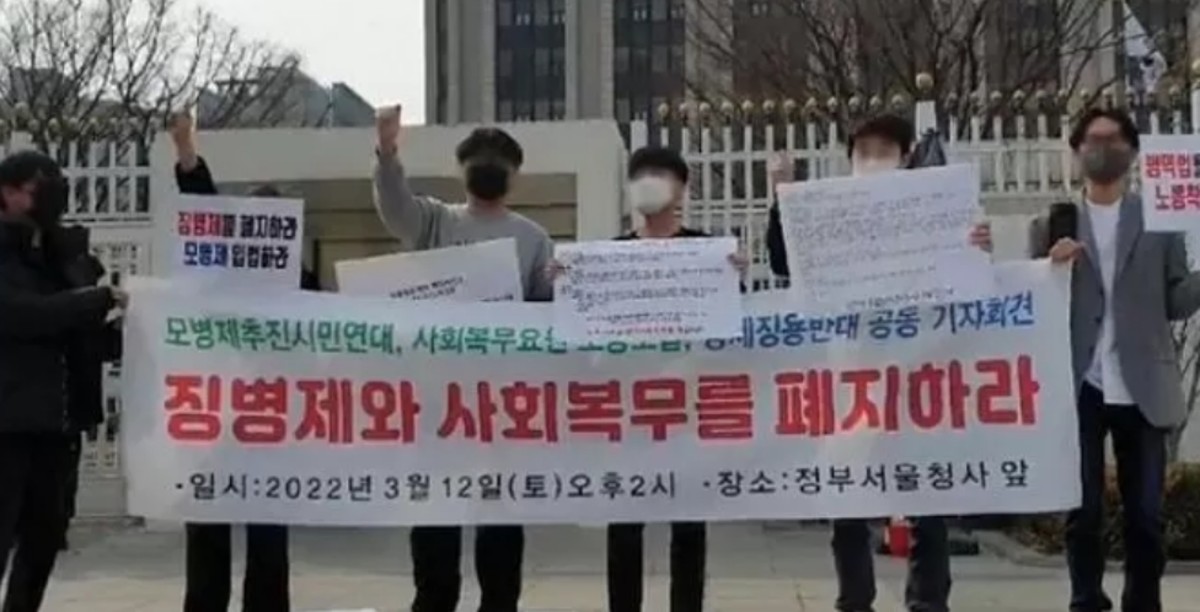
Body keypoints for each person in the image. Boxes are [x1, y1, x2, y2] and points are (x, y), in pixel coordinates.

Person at [765, 114, 991, 612]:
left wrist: (978, 247)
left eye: (883, 150)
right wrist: (782, 197)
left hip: (918, 374)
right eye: (862, 150)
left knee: (925, 497)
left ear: (907, 157)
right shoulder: (830, 213)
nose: (871, 159)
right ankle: (855, 599)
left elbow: (971, 279)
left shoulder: (933, 212)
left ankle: (928, 600)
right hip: (854, 376)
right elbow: (784, 262)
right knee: (848, 497)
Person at [373, 104, 553, 612]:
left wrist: (562, 287)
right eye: (479, 158)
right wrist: (386, 151)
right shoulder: (435, 220)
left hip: (502, 407)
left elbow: (548, 315)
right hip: (436, 403)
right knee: (435, 530)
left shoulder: (534, 239)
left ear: (515, 174)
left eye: (498, 160)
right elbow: (395, 207)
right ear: (462, 170)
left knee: (500, 532)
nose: (489, 166)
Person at [1029, 108, 1200, 612]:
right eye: (1093, 139)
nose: (1103, 148)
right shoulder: (1052, 223)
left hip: (1144, 384)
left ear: (1132, 151)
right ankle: (1086, 600)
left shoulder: (1161, 223)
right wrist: (1049, 269)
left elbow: (1176, 302)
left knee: (1145, 515)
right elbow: (1030, 304)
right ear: (1076, 150)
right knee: (1082, 511)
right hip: (1078, 383)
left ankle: (1142, 602)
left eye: (1114, 139)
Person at [591, 145, 745, 612]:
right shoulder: (610, 254)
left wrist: (735, 279)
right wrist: (565, 281)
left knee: (689, 525)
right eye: (641, 175)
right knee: (624, 523)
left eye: (660, 174)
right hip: (628, 405)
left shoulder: (706, 251)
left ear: (682, 189)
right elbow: (586, 322)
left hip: (689, 403)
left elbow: (730, 325)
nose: (649, 183)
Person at [169, 111, 294, 612]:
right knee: (208, 526)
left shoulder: (298, 282)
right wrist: (187, 153)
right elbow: (202, 202)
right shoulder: (216, 271)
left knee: (268, 535)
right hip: (216, 415)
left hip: (272, 420)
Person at [0, 149, 126, 612]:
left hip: (59, 425)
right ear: (7, 193)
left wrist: (127, 329)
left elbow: (85, 333)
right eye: (40, 187)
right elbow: (23, 315)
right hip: (7, 426)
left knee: (43, 539)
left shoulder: (65, 254)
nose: (52, 196)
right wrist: (92, 301)